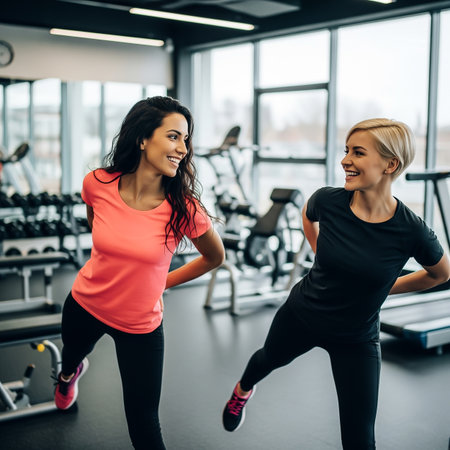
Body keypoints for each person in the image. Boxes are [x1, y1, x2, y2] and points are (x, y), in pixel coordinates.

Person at [222, 118, 450, 449]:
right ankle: (241, 391)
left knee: (360, 439)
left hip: (356, 338)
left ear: (390, 164)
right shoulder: (328, 200)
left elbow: (441, 273)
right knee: (267, 359)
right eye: (346, 151)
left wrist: (387, 288)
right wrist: (319, 253)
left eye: (357, 152)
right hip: (302, 314)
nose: (345, 160)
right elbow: (307, 215)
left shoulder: (411, 230)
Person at [54, 96, 225, 450]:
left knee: (144, 424)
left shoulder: (184, 207)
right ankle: (68, 375)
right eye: (174, 136)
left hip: (141, 325)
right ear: (143, 138)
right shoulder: (97, 184)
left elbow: (214, 257)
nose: (183, 148)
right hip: (86, 304)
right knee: (70, 356)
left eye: (186, 139)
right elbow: (96, 225)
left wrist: (162, 283)